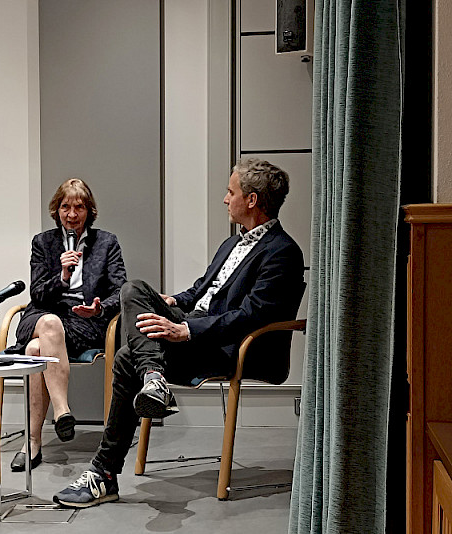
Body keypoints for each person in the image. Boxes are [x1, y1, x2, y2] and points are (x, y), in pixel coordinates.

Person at [53, 158, 304, 507]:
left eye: (230, 192)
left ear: (251, 200)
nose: (224, 199)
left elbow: (250, 316)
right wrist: (169, 302)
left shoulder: (283, 253)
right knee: (133, 289)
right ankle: (153, 376)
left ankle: (104, 473)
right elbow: (201, 290)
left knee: (127, 357)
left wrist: (184, 330)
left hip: (226, 345)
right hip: (194, 328)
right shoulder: (231, 245)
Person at [5, 178, 127, 472]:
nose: (72, 214)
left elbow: (120, 290)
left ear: (89, 211)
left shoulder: (106, 242)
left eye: (79, 207)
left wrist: (100, 308)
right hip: (43, 315)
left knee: (36, 350)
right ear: (56, 210)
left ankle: (32, 442)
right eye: (65, 207)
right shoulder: (43, 242)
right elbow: (37, 294)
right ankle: (62, 410)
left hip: (82, 322)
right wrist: (61, 275)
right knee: (48, 324)